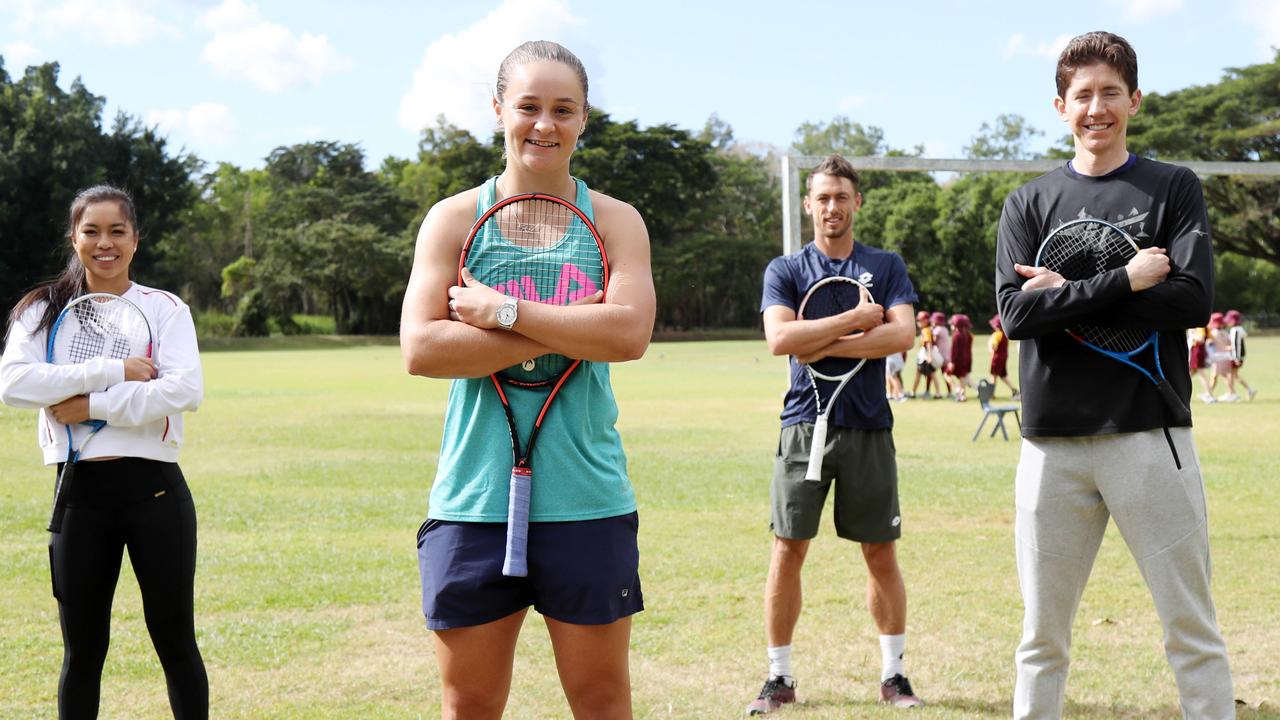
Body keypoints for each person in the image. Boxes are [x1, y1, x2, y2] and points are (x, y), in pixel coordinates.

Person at [398, 40, 655, 719]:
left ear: (584, 119)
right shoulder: (454, 219)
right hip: (472, 500)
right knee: (470, 705)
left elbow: (628, 334)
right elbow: (422, 348)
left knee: (601, 702)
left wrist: (498, 312)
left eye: (562, 110)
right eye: (529, 107)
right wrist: (572, 323)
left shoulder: (617, 221)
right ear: (498, 111)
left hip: (586, 498)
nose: (545, 124)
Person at [995, 31, 1234, 719]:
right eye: (1081, 96)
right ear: (1059, 106)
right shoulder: (1027, 203)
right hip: (1051, 445)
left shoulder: (1171, 187)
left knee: (1190, 629)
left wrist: (1061, 292)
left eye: (1109, 93)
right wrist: (1124, 278)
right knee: (1041, 638)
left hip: (1148, 434)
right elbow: (1014, 315)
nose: (1095, 108)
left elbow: (1191, 300)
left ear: (1134, 99)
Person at [0, 185, 208, 719]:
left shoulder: (164, 309)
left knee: (175, 640)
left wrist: (90, 403)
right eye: (91, 231)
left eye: (117, 230)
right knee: (83, 652)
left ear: (136, 239)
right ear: (74, 237)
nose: (104, 243)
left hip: (156, 495)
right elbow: (15, 385)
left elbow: (183, 391)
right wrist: (112, 371)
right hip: (79, 499)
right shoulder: (41, 310)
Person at [747, 153, 924, 714]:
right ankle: (779, 679)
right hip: (804, 425)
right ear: (808, 204)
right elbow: (780, 341)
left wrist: (816, 339)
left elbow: (901, 337)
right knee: (787, 549)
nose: (831, 207)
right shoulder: (786, 269)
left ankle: (894, 675)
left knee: (880, 552)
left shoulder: (886, 264)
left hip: (869, 426)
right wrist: (854, 321)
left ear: (857, 203)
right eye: (822, 197)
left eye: (841, 197)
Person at [1223, 309, 1255, 401]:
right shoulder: (1240, 329)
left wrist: (1236, 357)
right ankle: (1248, 390)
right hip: (1239, 356)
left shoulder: (1235, 330)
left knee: (1230, 375)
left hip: (1236, 356)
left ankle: (1231, 394)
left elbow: (1236, 345)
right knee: (1234, 376)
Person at [909, 310, 940, 399]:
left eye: (920, 320)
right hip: (926, 354)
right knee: (932, 374)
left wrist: (929, 356)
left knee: (922, 373)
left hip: (925, 356)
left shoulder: (925, 330)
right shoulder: (928, 329)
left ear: (926, 321)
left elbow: (928, 343)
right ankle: (937, 393)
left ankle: (913, 392)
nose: (918, 322)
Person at [1207, 312, 1236, 401]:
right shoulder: (1225, 332)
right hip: (1227, 357)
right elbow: (1230, 344)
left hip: (1218, 357)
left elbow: (1209, 344)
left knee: (1214, 376)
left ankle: (1209, 393)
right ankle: (1231, 392)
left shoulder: (1213, 333)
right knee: (1226, 375)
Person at [987, 315, 1018, 397]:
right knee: (1003, 376)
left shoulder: (997, 334)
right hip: (1004, 357)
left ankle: (991, 393)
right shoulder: (1004, 334)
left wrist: (990, 347)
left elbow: (994, 347)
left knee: (993, 376)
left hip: (997, 358)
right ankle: (1014, 389)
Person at [946, 314, 973, 402]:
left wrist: (952, 362)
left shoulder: (956, 336)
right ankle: (963, 395)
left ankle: (957, 389)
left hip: (957, 360)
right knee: (962, 378)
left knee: (946, 374)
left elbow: (954, 350)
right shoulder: (968, 335)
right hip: (965, 360)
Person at [1186, 325, 1216, 403]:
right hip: (1199, 351)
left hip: (1197, 351)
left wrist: (1192, 335)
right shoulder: (1204, 327)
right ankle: (1180, 390)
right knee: (1190, 373)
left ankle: (1210, 395)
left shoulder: (1199, 327)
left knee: (1202, 375)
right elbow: (1211, 338)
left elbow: (1201, 339)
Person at [929, 312, 953, 398]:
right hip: (947, 354)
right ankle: (950, 392)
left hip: (939, 355)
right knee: (945, 374)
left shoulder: (937, 330)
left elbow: (934, 342)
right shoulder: (945, 329)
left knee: (931, 372)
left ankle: (934, 392)